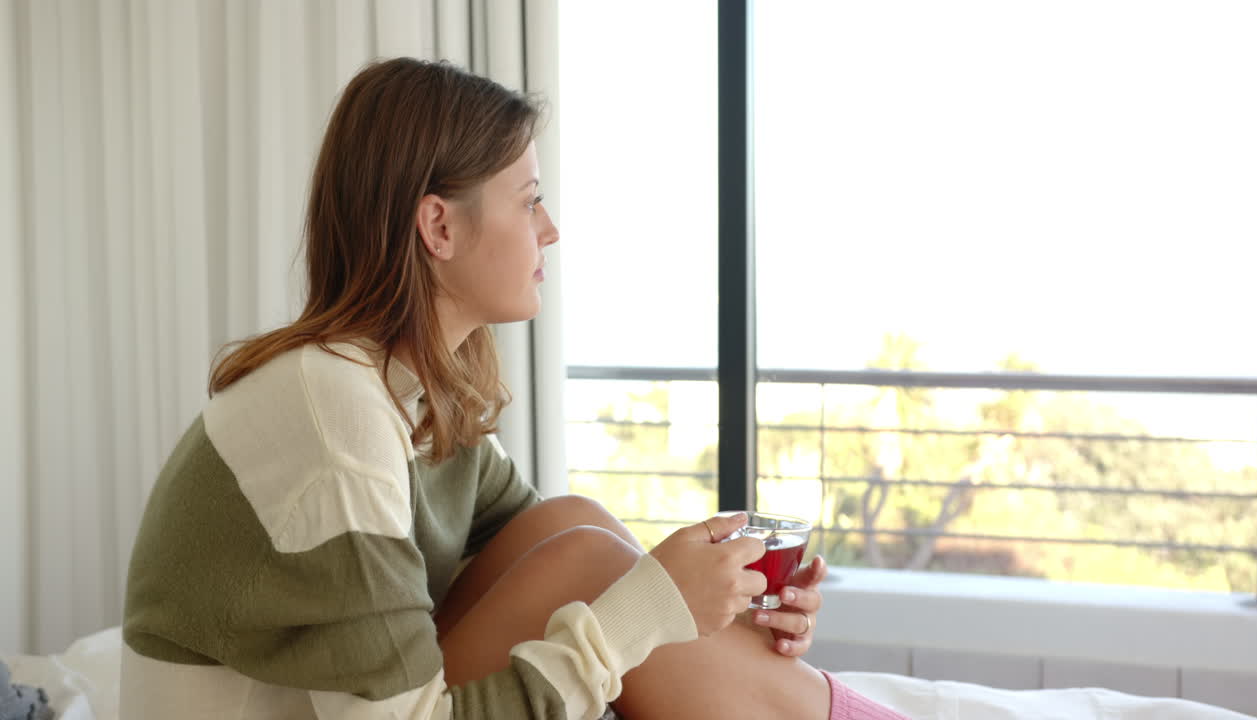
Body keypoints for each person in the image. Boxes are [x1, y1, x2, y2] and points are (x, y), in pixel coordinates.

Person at [120, 57, 911, 720]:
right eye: (529, 201)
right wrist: (651, 609)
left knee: (574, 527)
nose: (550, 230)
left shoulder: (409, 395)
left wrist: (722, 606)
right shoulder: (333, 419)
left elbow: (558, 562)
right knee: (593, 567)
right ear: (439, 227)